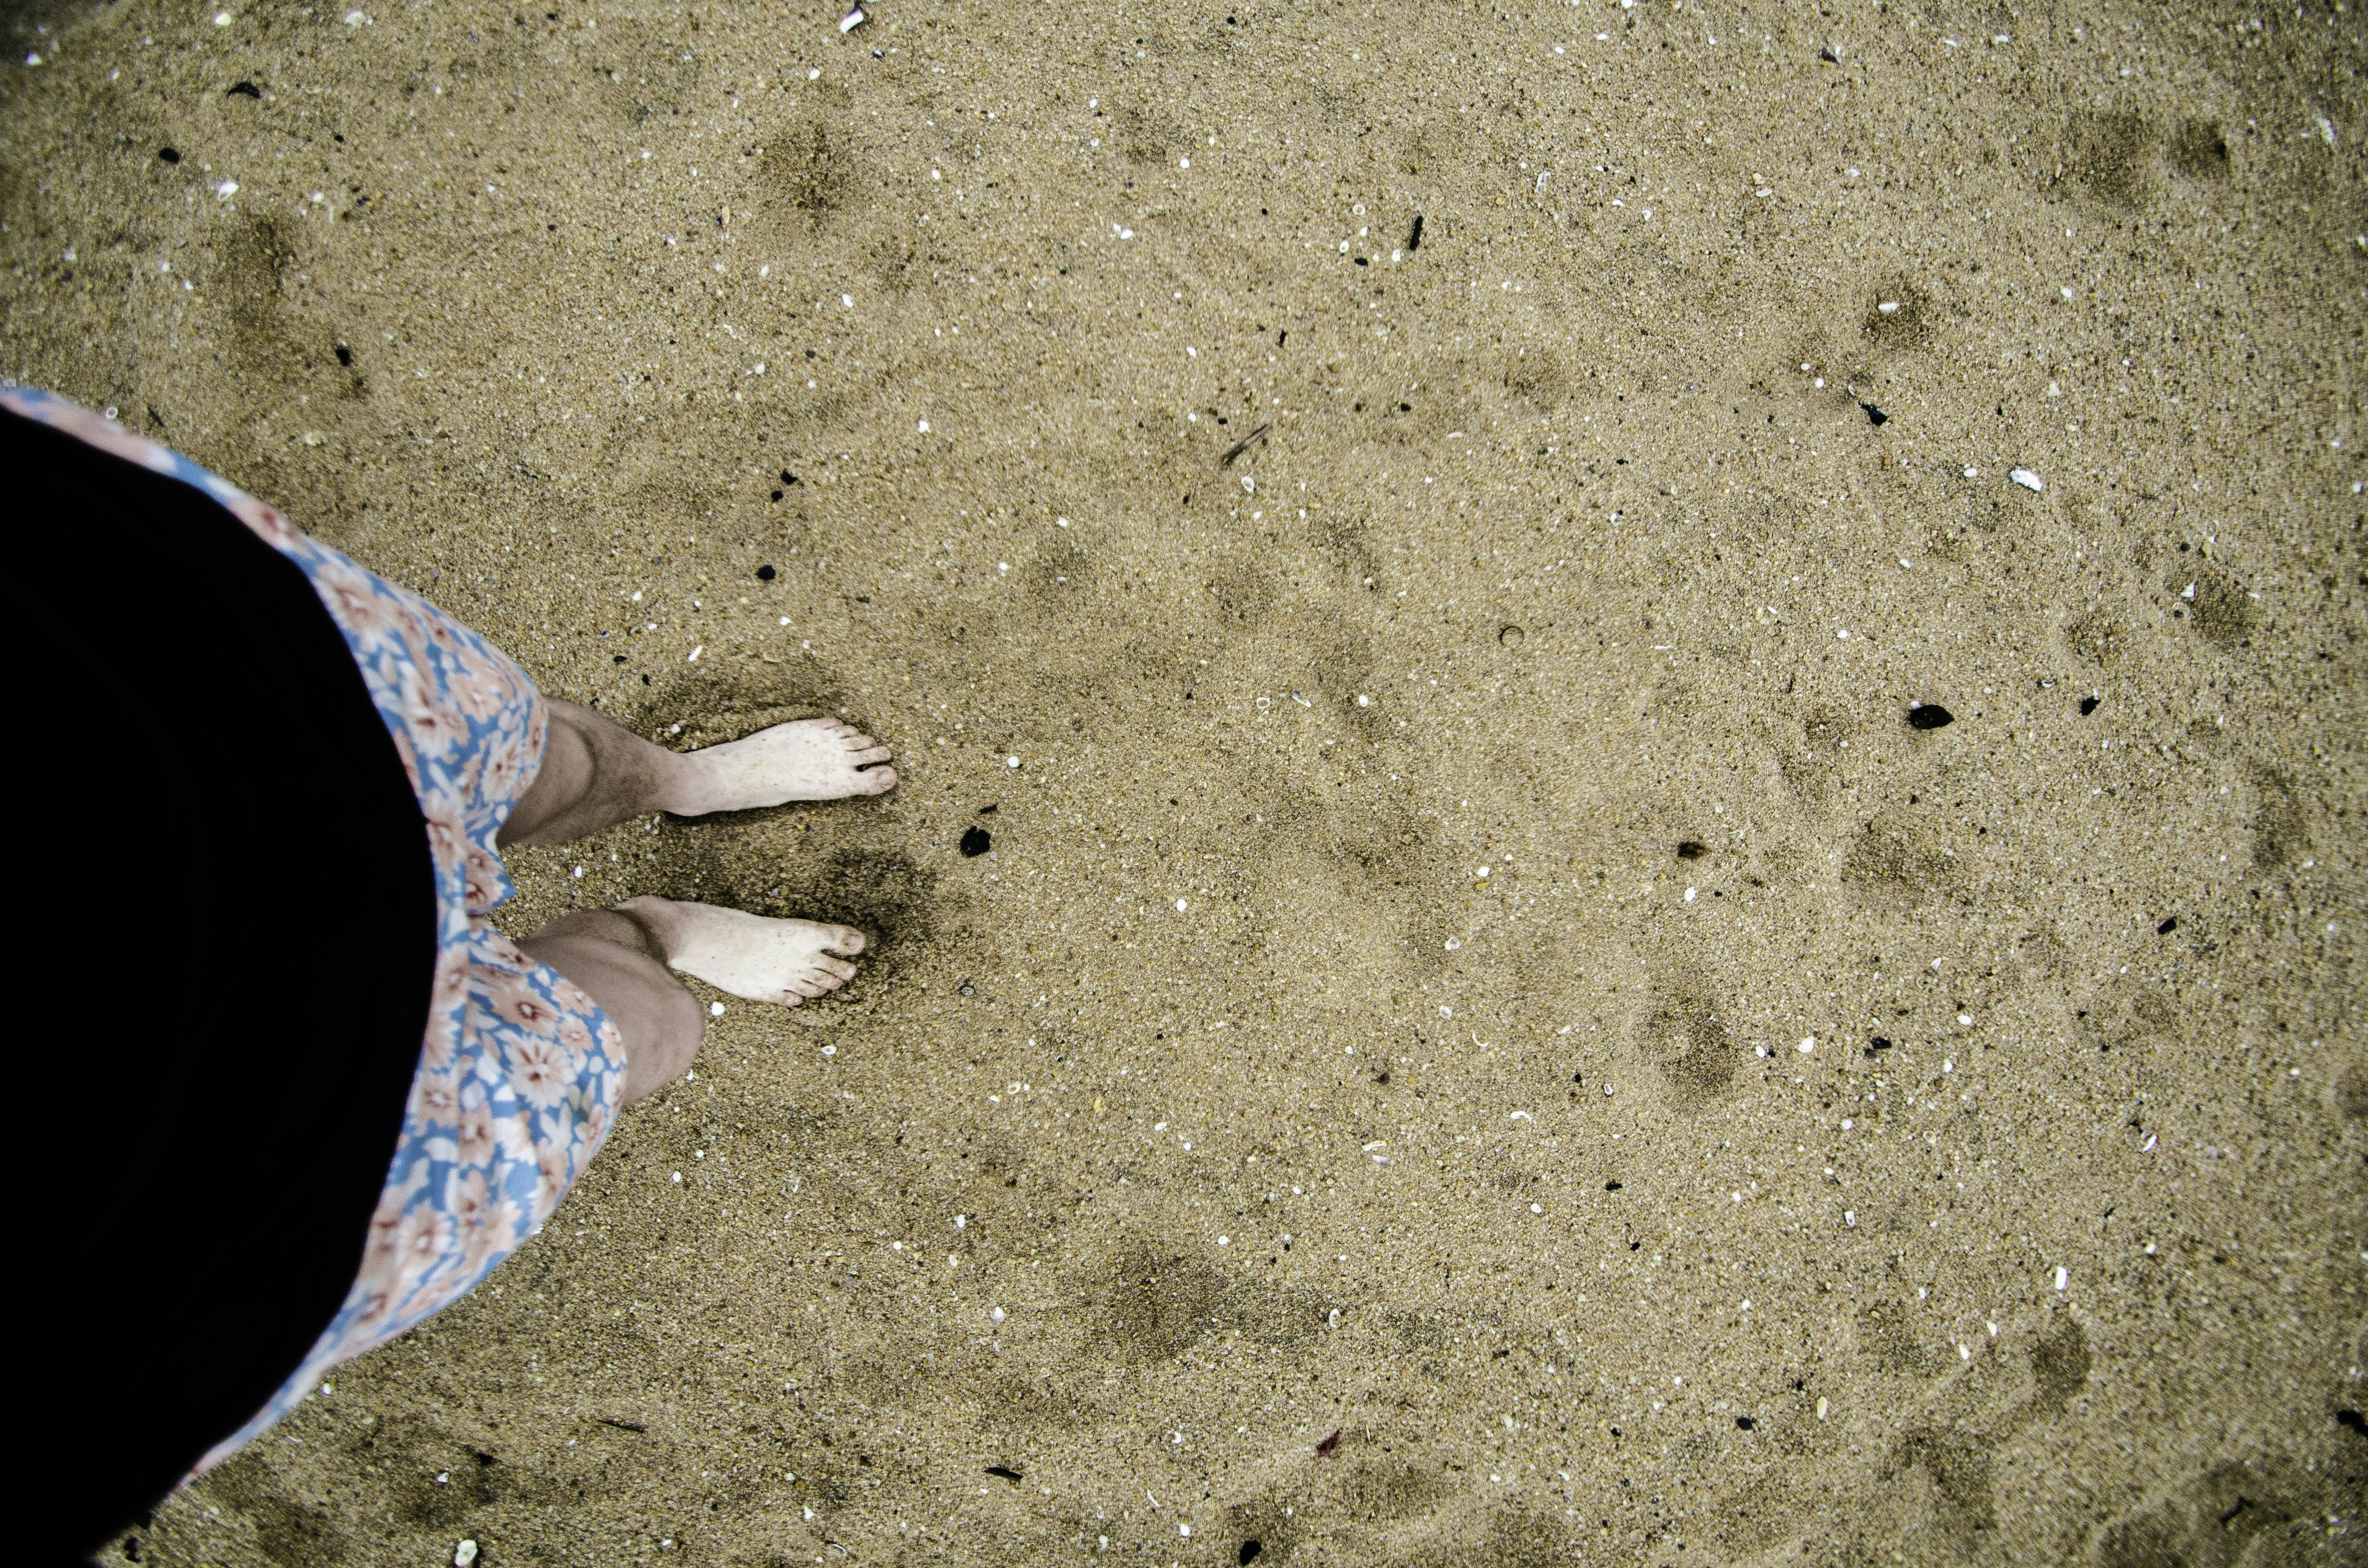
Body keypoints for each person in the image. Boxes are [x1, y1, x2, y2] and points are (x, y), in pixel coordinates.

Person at [8, 386, 896, 1562]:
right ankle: (658, 928)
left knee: (537, 759)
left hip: (115, 685)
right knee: (645, 1026)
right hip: (187, 1214)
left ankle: (680, 782)